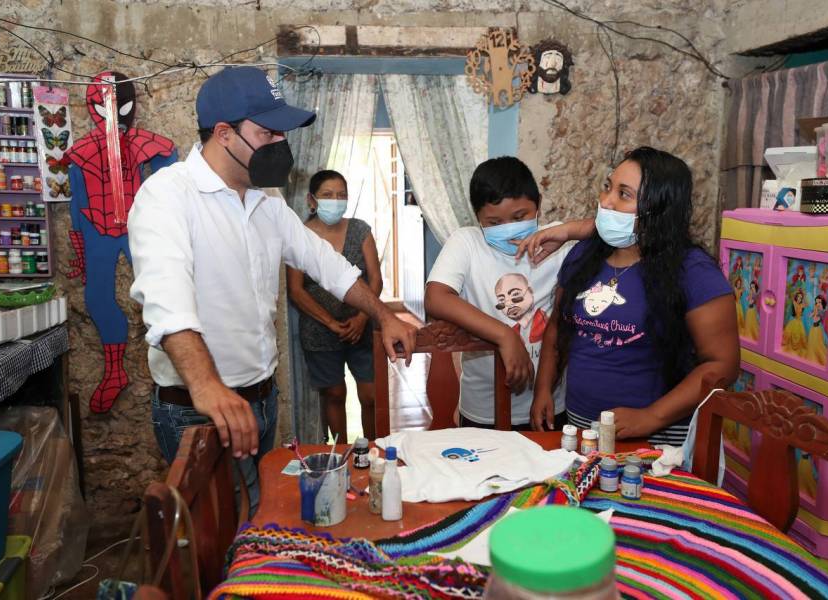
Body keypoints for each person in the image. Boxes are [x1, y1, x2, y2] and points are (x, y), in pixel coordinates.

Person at [128, 67, 417, 514]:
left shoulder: (269, 201)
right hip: (199, 410)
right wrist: (208, 388)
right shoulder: (167, 197)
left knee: (260, 519)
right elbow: (167, 305)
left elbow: (327, 265)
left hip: (262, 401)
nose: (281, 145)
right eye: (268, 133)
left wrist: (383, 315)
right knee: (223, 542)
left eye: (282, 134)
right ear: (224, 134)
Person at [527, 146, 739, 444]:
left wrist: (651, 416)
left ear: (658, 208)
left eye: (623, 194)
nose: (606, 201)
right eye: (607, 187)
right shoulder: (583, 257)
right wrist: (543, 389)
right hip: (582, 427)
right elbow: (557, 329)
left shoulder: (693, 271)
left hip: (659, 437)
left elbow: (723, 365)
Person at [424, 156, 593, 430]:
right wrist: (504, 336)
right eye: (493, 222)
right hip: (483, 409)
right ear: (477, 217)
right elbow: (436, 298)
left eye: (519, 217)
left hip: (549, 401)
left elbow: (620, 230)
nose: (507, 228)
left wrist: (570, 230)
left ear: (538, 204)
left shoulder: (557, 242)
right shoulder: (467, 242)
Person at [287, 170, 381, 443]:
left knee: (371, 395)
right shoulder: (300, 236)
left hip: (361, 327)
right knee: (334, 394)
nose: (336, 200)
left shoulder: (360, 230)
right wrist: (329, 322)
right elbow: (296, 289)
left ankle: (373, 447)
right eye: (328, 195)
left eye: (341, 195)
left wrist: (363, 317)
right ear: (312, 200)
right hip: (319, 330)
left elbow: (375, 279)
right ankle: (340, 454)